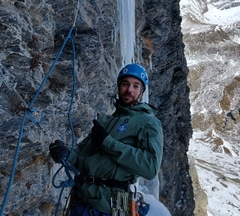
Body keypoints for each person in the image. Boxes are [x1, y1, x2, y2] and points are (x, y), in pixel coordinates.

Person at [49, 63, 163, 216]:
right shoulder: (104, 121)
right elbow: (82, 156)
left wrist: (107, 143)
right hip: (82, 198)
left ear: (141, 91)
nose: (129, 90)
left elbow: (150, 168)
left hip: (112, 205)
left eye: (136, 86)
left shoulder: (148, 122)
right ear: (118, 87)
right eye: (125, 84)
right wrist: (65, 154)